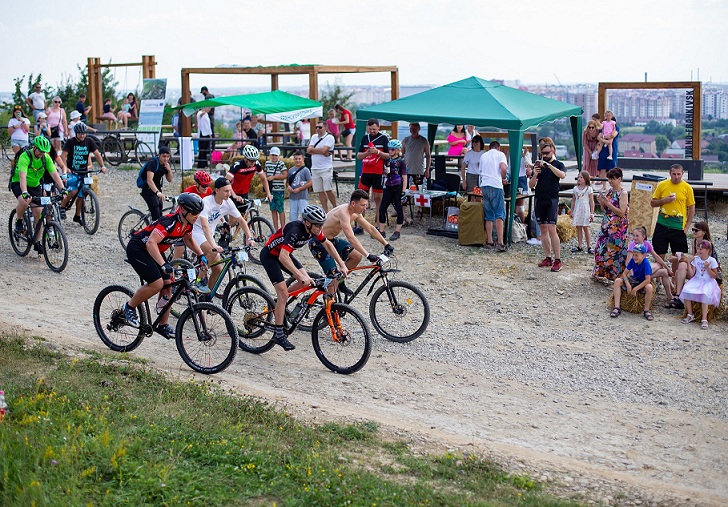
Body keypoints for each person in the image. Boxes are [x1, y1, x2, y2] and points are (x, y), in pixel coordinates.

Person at [261, 205, 348, 351]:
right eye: (318, 224)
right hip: (271, 256)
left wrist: (342, 265)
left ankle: (279, 303)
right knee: (292, 287)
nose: (320, 227)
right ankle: (278, 334)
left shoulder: (314, 230)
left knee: (307, 283)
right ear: (307, 222)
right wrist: (300, 276)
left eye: (322, 224)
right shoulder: (295, 230)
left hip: (285, 255)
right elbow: (283, 256)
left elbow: (328, 245)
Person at [121, 193, 207, 339]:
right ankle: (129, 307)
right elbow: (150, 243)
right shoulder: (169, 222)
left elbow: (188, 239)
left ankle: (163, 325)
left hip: (155, 251)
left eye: (198, 213)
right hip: (139, 248)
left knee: (169, 283)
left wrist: (201, 255)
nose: (196, 216)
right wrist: (163, 264)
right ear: (182, 209)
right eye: (193, 213)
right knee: (157, 284)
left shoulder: (187, 223)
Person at [310, 190, 392, 296]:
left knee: (356, 256)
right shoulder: (343, 213)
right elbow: (351, 238)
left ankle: (339, 282)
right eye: (362, 205)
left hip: (330, 240)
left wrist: (386, 244)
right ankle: (331, 308)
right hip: (318, 243)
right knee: (333, 277)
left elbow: (370, 228)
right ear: (353, 203)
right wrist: (368, 255)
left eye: (366, 205)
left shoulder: (356, 213)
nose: (365, 208)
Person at [192, 177, 255, 292]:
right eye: (226, 191)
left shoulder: (228, 202)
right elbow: (205, 226)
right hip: (197, 233)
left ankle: (206, 298)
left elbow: (241, 220)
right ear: (217, 190)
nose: (229, 193)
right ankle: (198, 281)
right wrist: (214, 246)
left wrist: (249, 237)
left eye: (230, 190)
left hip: (208, 235)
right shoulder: (206, 202)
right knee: (212, 251)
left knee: (218, 269)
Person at [10, 136, 68, 253]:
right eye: (40, 150)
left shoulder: (45, 158)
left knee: (39, 213)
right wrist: (25, 192)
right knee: (24, 201)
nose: (42, 153)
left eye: (44, 151)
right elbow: (22, 177)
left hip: (35, 185)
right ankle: (19, 220)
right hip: (19, 183)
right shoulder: (25, 157)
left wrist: (62, 189)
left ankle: (36, 242)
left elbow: (55, 174)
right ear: (34, 147)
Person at [529, 141, 566, 271]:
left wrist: (549, 165)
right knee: (543, 228)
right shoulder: (538, 165)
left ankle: (558, 259)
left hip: (552, 198)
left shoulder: (558, 164)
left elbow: (562, 175)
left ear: (553, 151)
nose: (544, 155)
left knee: (552, 228)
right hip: (539, 198)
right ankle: (548, 257)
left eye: (547, 153)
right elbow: (531, 185)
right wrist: (535, 174)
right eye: (542, 153)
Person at [59, 123, 107, 223]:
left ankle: (77, 216)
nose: (82, 135)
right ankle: (62, 207)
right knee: (73, 191)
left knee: (82, 194)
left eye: (84, 133)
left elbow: (97, 154)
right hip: (72, 171)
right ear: (76, 133)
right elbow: (63, 155)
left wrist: (102, 166)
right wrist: (66, 168)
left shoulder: (89, 141)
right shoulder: (70, 142)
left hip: (84, 171)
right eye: (80, 134)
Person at [668, 221, 721, 309]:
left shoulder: (707, 245)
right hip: (697, 268)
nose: (694, 232)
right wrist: (685, 261)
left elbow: (698, 258)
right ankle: (678, 296)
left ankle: (679, 298)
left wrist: (678, 259)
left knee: (680, 268)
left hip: (706, 273)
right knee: (679, 270)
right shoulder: (694, 241)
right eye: (693, 230)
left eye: (696, 230)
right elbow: (694, 258)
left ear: (703, 232)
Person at [650, 163, 695, 261]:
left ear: (683, 173)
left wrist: (687, 227)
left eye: (679, 174)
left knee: (677, 257)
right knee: (659, 254)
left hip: (678, 226)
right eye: (674, 174)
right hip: (662, 224)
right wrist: (664, 200)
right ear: (669, 173)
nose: (676, 177)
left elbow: (691, 208)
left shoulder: (687, 188)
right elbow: (652, 203)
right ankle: (660, 275)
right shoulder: (662, 185)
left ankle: (675, 276)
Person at [623, 225, 676, 308]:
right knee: (659, 267)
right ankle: (671, 290)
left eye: (637, 236)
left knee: (664, 272)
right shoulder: (632, 245)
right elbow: (628, 262)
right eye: (634, 235)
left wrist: (668, 268)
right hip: (636, 273)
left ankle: (670, 297)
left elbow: (657, 257)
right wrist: (632, 276)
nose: (634, 238)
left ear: (643, 237)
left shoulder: (646, 244)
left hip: (644, 272)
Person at [592, 167, 629, 281]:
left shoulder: (623, 193)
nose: (611, 182)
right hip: (607, 224)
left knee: (614, 249)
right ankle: (601, 272)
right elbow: (605, 208)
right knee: (601, 248)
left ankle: (615, 274)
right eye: (609, 179)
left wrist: (607, 204)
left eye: (613, 179)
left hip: (617, 227)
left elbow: (621, 212)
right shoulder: (609, 191)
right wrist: (601, 202)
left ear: (619, 179)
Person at [356, 119, 390, 235]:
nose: (372, 131)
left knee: (378, 199)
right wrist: (367, 153)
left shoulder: (383, 138)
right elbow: (358, 156)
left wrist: (377, 152)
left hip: (378, 172)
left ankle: (377, 226)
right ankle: (360, 226)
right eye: (370, 129)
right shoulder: (365, 138)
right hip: (366, 172)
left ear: (379, 128)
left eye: (374, 129)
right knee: (361, 198)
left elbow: (388, 155)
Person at [680, 240, 721, 330]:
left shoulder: (712, 260)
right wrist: (688, 262)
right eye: (698, 248)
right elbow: (691, 274)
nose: (699, 250)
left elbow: (714, 276)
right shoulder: (696, 259)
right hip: (697, 279)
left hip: (708, 281)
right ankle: (690, 314)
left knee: (705, 293)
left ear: (708, 250)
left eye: (701, 249)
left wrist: (707, 268)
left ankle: (704, 319)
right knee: (686, 289)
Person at [611, 244, 654, 321]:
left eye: (637, 255)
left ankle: (646, 310)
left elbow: (647, 280)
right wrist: (627, 284)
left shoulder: (646, 263)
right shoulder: (633, 260)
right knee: (617, 281)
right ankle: (617, 307)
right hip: (634, 279)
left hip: (642, 281)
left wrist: (635, 289)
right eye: (633, 255)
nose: (634, 257)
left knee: (649, 287)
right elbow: (624, 274)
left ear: (643, 255)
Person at [479, 141, 508, 251]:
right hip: (496, 185)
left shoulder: (483, 156)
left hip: (485, 185)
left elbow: (480, 171)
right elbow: (503, 168)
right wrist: (503, 177)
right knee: (499, 214)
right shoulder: (500, 155)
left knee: (489, 214)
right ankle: (500, 242)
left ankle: (489, 241)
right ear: (499, 147)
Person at [379, 140, 407, 241]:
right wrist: (385, 173)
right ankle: (381, 230)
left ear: (397, 150)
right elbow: (385, 173)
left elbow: (404, 176)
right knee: (382, 208)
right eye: (389, 149)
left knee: (398, 208)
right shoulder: (388, 160)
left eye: (392, 149)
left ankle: (397, 231)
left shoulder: (401, 161)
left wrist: (404, 190)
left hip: (397, 186)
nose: (390, 151)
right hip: (388, 185)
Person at [307, 120, 337, 212]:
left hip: (325, 167)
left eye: (320, 127)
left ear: (325, 128)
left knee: (328, 189)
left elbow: (324, 150)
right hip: (315, 167)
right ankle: (325, 211)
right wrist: (321, 151)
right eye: (316, 127)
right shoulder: (314, 137)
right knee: (320, 191)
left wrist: (314, 150)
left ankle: (335, 207)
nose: (318, 129)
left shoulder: (330, 137)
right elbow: (309, 150)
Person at [140, 146, 173, 221]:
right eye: (164, 156)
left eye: (168, 157)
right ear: (159, 155)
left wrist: (169, 170)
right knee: (156, 215)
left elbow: (169, 179)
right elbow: (149, 180)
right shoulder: (153, 163)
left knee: (160, 211)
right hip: (148, 189)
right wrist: (157, 192)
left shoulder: (165, 165)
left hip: (157, 189)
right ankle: (151, 231)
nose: (166, 159)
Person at [569, 170, 595, 253]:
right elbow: (573, 200)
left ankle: (589, 246)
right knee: (578, 227)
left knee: (586, 227)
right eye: (578, 177)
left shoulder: (589, 189)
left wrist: (592, 213)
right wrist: (572, 211)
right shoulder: (575, 189)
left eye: (581, 177)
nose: (579, 179)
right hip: (578, 209)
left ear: (586, 179)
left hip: (585, 210)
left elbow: (591, 201)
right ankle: (579, 245)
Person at [402, 122, 431, 188]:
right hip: (407, 170)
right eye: (411, 129)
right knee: (406, 189)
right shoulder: (405, 140)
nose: (412, 131)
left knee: (418, 189)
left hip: (419, 170)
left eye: (414, 129)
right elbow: (401, 154)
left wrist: (427, 170)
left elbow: (428, 156)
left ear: (418, 129)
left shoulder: (424, 140)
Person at [265, 146, 288, 229]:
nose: (274, 157)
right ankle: (275, 229)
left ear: (278, 156)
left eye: (276, 155)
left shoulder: (281, 164)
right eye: (273, 155)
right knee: (273, 209)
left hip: (279, 190)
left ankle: (282, 228)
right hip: (271, 190)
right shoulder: (267, 163)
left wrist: (274, 177)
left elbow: (285, 175)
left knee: (280, 209)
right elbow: (265, 173)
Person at [287, 151, 312, 222]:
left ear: (303, 159)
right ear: (294, 159)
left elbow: (310, 182)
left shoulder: (305, 170)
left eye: (299, 159)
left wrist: (300, 189)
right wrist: (289, 187)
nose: (298, 160)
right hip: (293, 197)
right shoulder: (291, 170)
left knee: (304, 215)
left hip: (302, 196)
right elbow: (288, 182)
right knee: (292, 216)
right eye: (296, 159)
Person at [596, 115, 619, 186]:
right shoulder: (603, 128)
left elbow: (612, 135)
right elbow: (598, 137)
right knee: (602, 168)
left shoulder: (616, 128)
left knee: (612, 168)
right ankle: (604, 185)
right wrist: (605, 140)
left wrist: (603, 137)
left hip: (612, 150)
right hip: (603, 150)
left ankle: (615, 185)